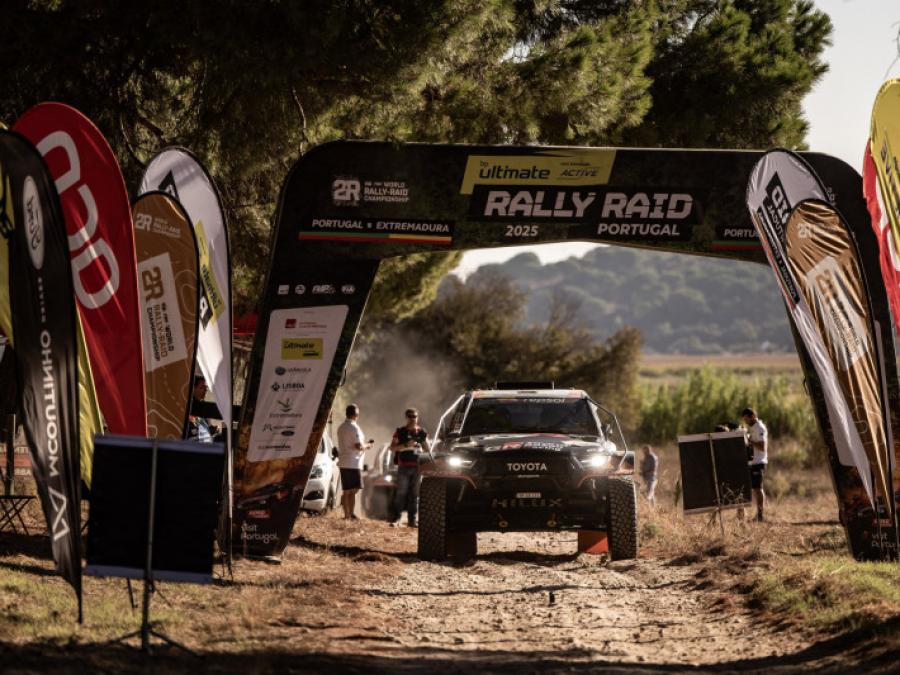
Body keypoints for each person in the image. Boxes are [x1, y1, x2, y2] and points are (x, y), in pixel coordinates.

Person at [390, 408, 430, 528]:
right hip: (404, 466)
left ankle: (412, 521)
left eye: (415, 416)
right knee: (401, 493)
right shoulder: (400, 431)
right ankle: (397, 518)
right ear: (406, 417)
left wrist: (424, 443)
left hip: (418, 467)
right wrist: (407, 444)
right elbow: (392, 448)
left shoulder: (422, 431)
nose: (413, 418)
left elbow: (427, 449)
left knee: (414, 495)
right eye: (410, 416)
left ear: (417, 417)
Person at [337, 404, 372, 520]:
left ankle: (349, 514)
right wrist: (368, 445)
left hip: (345, 461)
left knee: (349, 490)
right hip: (353, 462)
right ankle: (348, 514)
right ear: (356, 415)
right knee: (352, 490)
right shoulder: (354, 428)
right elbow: (358, 446)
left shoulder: (341, 427)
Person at [742, 407, 768, 522]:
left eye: (747, 419)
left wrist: (749, 441)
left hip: (759, 462)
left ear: (752, 416)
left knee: (758, 489)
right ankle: (758, 515)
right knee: (755, 489)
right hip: (753, 462)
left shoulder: (759, 427)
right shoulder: (753, 428)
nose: (746, 422)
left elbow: (763, 447)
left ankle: (760, 515)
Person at [186, 375, 217, 442]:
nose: (205, 390)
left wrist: (211, 429)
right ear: (193, 388)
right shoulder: (188, 405)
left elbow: (204, 425)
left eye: (206, 388)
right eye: (202, 387)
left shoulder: (203, 406)